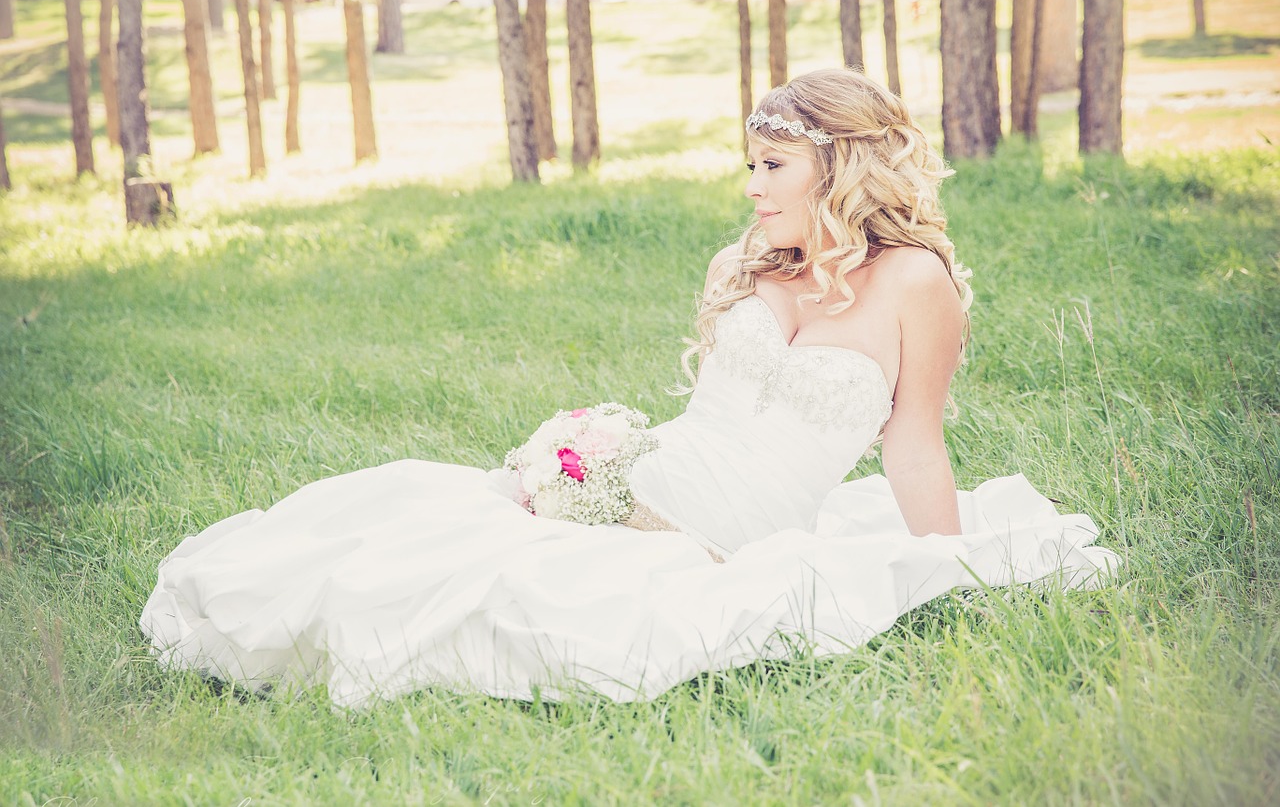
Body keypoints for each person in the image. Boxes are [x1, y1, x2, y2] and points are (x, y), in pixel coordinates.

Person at [141, 70, 1116, 709]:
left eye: (771, 164)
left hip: (734, 532)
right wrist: (593, 462)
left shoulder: (916, 284)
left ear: (839, 163)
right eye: (749, 164)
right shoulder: (742, 261)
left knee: (538, 597)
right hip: (649, 474)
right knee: (432, 537)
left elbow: (912, 444)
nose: (750, 186)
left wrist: (935, 569)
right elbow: (703, 418)